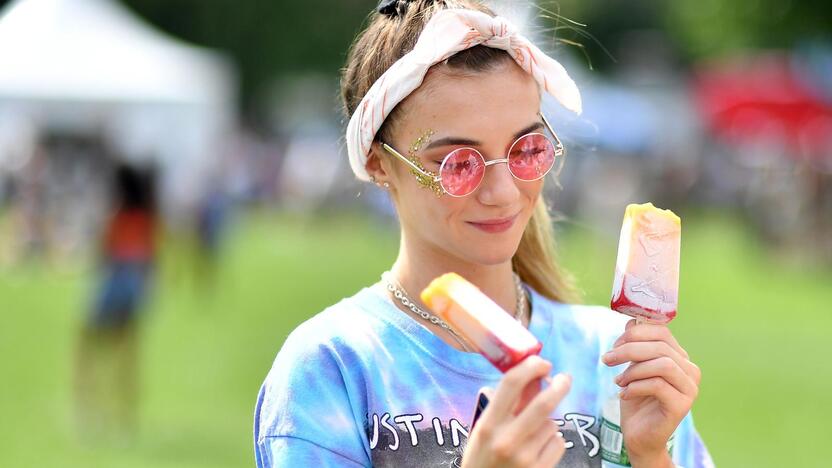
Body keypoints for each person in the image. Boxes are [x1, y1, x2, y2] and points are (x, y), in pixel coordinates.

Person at [254, 1, 713, 467]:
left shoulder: (618, 360)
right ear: (378, 161)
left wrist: (651, 456)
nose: (503, 192)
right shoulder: (334, 367)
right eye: (457, 162)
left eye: (526, 148)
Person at [75, 164, 157, 439]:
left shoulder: (118, 216)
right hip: (136, 285)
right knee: (127, 356)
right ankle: (125, 417)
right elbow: (151, 259)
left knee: (87, 346)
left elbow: (103, 252)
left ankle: (87, 409)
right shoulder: (146, 218)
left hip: (114, 281)